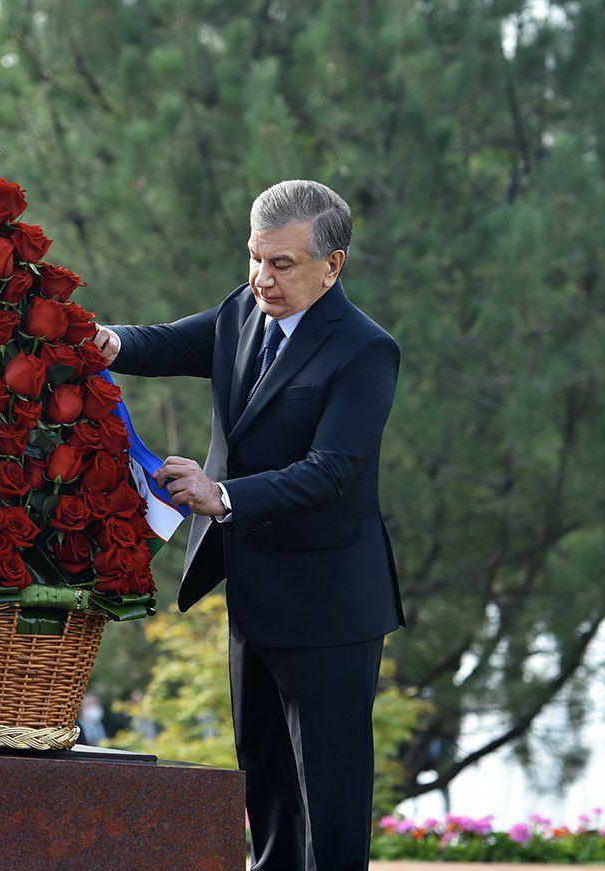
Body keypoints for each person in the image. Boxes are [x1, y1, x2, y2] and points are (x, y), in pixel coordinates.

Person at [95, 179, 405, 870]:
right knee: (267, 800)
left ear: (334, 265)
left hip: (331, 610)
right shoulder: (243, 311)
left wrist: (221, 495)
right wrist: (109, 341)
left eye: (283, 264)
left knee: (330, 810)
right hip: (254, 599)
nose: (263, 279)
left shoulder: (365, 352)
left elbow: (331, 471)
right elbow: (166, 344)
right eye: (255, 259)